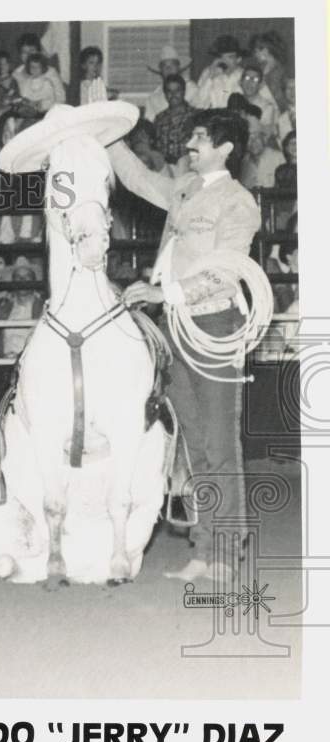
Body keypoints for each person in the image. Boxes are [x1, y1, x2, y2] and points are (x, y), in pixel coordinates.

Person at [108, 109, 260, 582]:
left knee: (219, 442)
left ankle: (226, 550)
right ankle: (203, 547)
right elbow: (136, 177)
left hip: (213, 324)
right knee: (192, 446)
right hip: (176, 327)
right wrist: (102, 131)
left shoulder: (239, 203)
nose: (189, 144)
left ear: (225, 147)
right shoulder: (183, 188)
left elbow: (225, 271)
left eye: (199, 137)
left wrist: (164, 293)